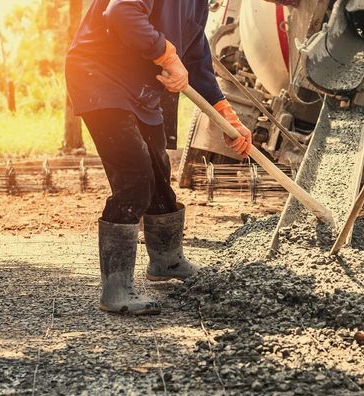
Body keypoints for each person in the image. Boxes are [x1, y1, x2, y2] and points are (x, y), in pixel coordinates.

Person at [65, 0, 252, 316]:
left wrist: (226, 117)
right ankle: (116, 287)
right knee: (135, 176)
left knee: (158, 173)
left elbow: (195, 59)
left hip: (141, 90)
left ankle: (166, 260)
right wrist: (166, 54)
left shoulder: (197, 5)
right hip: (99, 76)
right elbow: (121, 12)